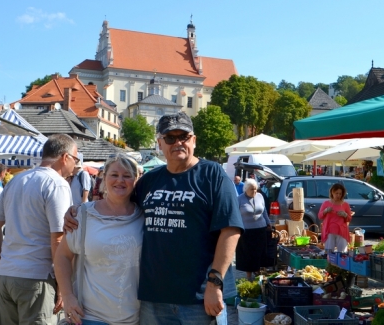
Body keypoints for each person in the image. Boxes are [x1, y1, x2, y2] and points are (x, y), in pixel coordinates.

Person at [65, 111, 243, 324]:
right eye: (170, 138)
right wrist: (80, 210)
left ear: (193, 140)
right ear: (160, 143)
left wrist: (215, 283)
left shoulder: (213, 175)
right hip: (153, 299)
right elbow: (118, 202)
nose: (177, 142)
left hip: (198, 297)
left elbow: (230, 230)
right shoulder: (149, 181)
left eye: (183, 137)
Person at [0, 134, 78, 324]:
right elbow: (58, 238)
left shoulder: (16, 180)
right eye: (75, 159)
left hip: (8, 274)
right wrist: (63, 284)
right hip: (37, 276)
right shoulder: (56, 183)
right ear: (65, 157)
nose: (75, 166)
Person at [55, 154, 143, 325]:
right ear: (103, 177)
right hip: (90, 317)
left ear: (135, 179)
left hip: (135, 318)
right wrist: (67, 295)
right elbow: (62, 256)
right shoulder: (83, 215)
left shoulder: (144, 216)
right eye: (114, 175)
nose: (120, 180)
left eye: (127, 175)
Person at [236, 178, 270, 280]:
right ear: (246, 189)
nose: (254, 191)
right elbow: (235, 215)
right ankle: (249, 275)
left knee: (260, 251)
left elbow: (264, 212)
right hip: (247, 231)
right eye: (252, 189)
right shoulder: (239, 199)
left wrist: (268, 223)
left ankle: (259, 272)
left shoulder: (260, 196)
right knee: (248, 253)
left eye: (255, 189)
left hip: (260, 229)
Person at [318, 183, 352, 254]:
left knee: (343, 253)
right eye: (336, 193)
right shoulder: (326, 203)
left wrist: (345, 215)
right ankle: (329, 264)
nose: (338, 195)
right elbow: (320, 216)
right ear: (332, 192)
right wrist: (325, 211)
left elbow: (349, 218)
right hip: (329, 231)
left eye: (340, 193)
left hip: (342, 232)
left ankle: (341, 264)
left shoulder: (345, 205)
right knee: (329, 253)